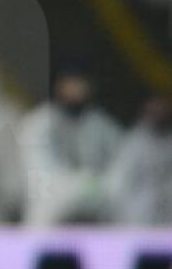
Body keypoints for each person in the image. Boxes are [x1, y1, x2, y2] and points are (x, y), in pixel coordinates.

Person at [16, 63, 123, 226]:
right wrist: (89, 184)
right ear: (58, 86)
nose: (77, 89)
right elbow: (44, 177)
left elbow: (121, 167)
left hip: (94, 212)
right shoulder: (39, 124)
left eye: (82, 84)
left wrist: (98, 187)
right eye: (71, 83)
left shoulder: (100, 124)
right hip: (51, 213)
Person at [108, 94, 172, 225]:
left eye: (162, 107)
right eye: (154, 107)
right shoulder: (133, 142)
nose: (158, 111)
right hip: (138, 213)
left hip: (166, 213)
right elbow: (118, 181)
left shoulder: (168, 141)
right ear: (145, 110)